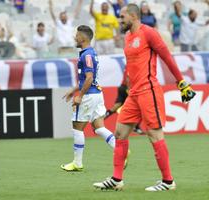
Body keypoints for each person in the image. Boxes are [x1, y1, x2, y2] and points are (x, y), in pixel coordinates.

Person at [93, 4, 196, 191]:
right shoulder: (128, 36)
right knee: (120, 133)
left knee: (154, 134)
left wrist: (181, 83)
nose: (120, 20)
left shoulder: (149, 33)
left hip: (149, 90)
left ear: (133, 16)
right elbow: (132, 65)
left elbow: (167, 57)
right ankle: (117, 179)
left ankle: (168, 181)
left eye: (122, 17)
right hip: (133, 93)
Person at [61, 25, 129, 171]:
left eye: (77, 35)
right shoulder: (89, 53)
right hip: (97, 95)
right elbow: (86, 78)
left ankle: (77, 163)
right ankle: (121, 150)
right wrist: (73, 90)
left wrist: (79, 96)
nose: (75, 37)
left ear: (83, 38)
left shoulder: (86, 55)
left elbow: (89, 78)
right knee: (99, 127)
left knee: (77, 128)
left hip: (89, 96)